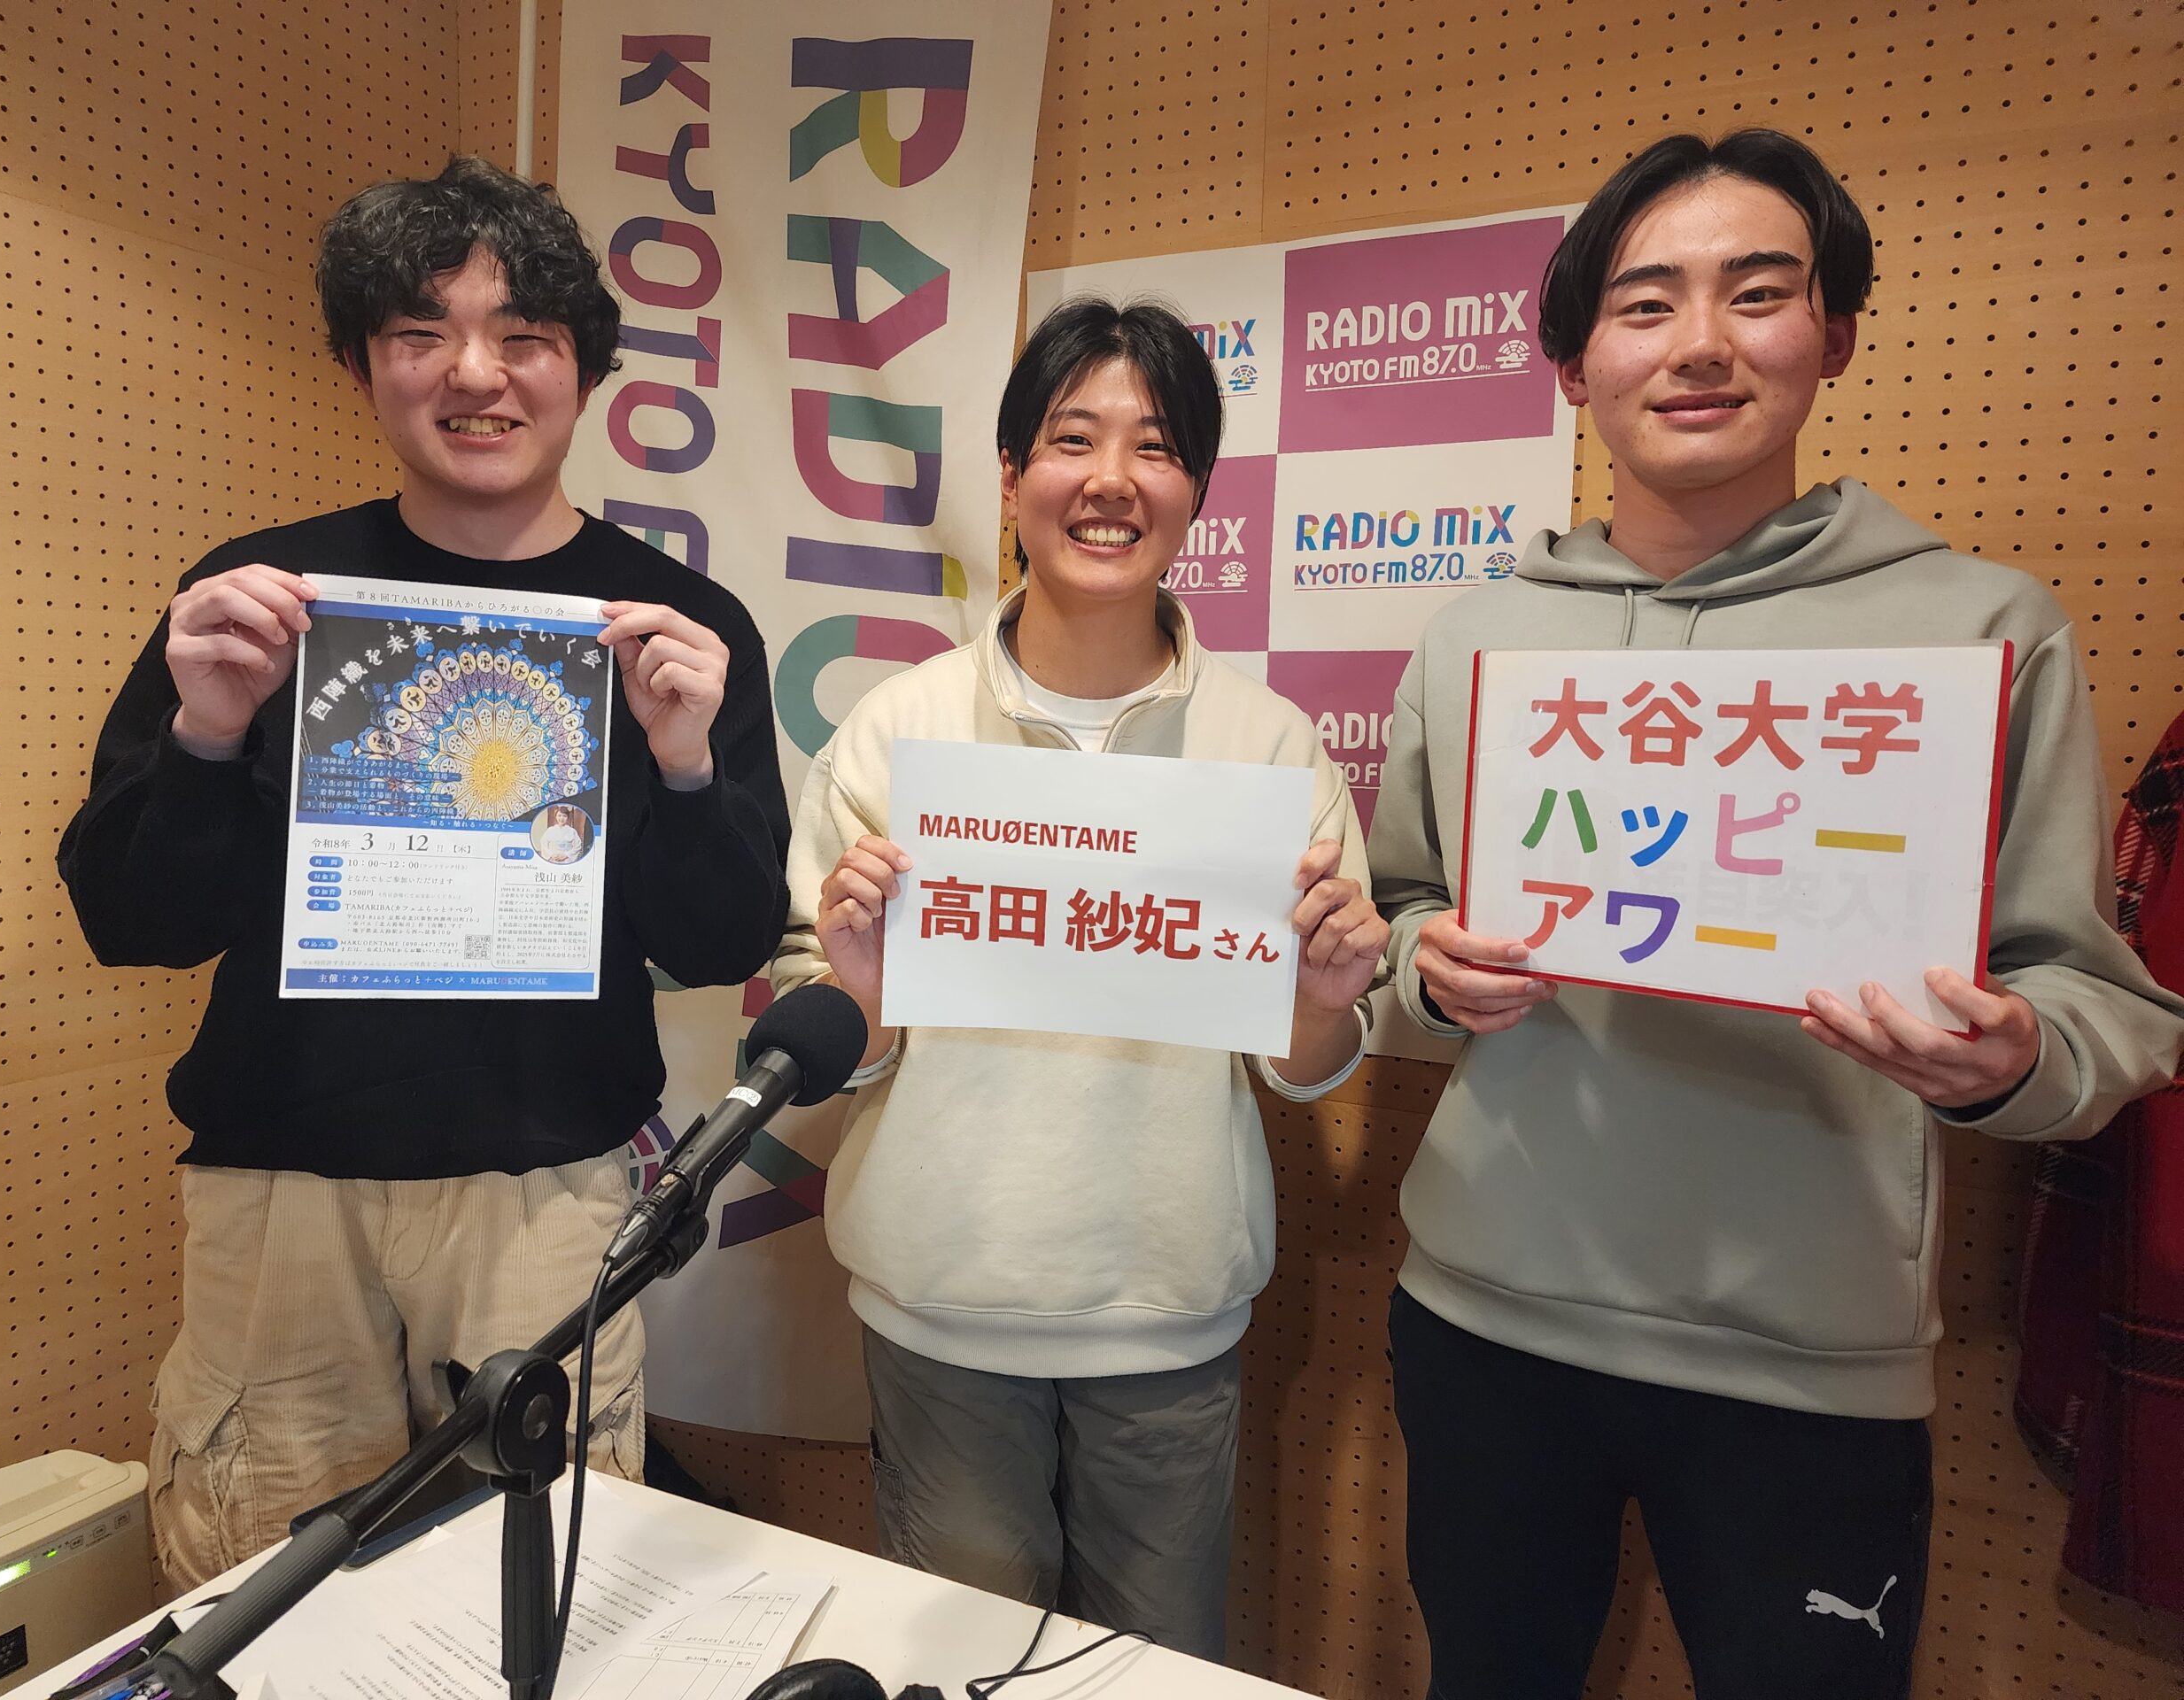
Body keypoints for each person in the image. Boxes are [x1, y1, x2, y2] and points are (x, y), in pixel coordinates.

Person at [1368, 129, 2184, 1699]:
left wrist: (2013, 1060)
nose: (1700, 344)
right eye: (1645, 303)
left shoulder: (1981, 627)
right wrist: (1423, 966)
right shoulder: (1477, 637)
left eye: (1756, 294)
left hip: (1811, 1364)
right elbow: (1397, 921)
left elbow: (2100, 1007)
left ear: (1836, 336)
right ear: (1573, 364)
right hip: (1480, 1318)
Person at [58, 157, 790, 1589]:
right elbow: (130, 920)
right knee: (262, 1594)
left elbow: (720, 942)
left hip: (549, 1191)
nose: (474, 373)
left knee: (542, 1596)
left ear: (585, 371)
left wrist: (687, 765)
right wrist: (206, 733)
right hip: (284, 1189)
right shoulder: (262, 601)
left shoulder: (677, 625)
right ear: (359, 366)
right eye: (418, 333)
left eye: (524, 335)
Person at [771, 298, 1388, 1661]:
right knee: (960, 1667)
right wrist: (862, 981)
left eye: (1154, 447)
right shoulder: (896, 727)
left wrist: (1324, 996)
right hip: (940, 1301)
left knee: (1151, 1672)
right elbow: (839, 1047)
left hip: (1169, 1311)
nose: (1112, 479)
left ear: (1196, 492)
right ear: (1011, 477)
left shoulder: (1268, 745)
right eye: (1071, 439)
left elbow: (1304, 1067)